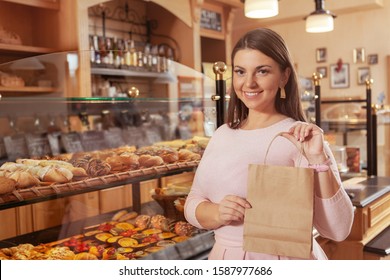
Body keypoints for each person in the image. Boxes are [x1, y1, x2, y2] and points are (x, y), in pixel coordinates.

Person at [184, 28, 354, 260]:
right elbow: (193, 201)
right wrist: (217, 213)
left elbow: (338, 229)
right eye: (240, 72)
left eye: (262, 71)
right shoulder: (222, 134)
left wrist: (318, 160)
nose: (249, 83)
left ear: (284, 76)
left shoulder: (300, 137)